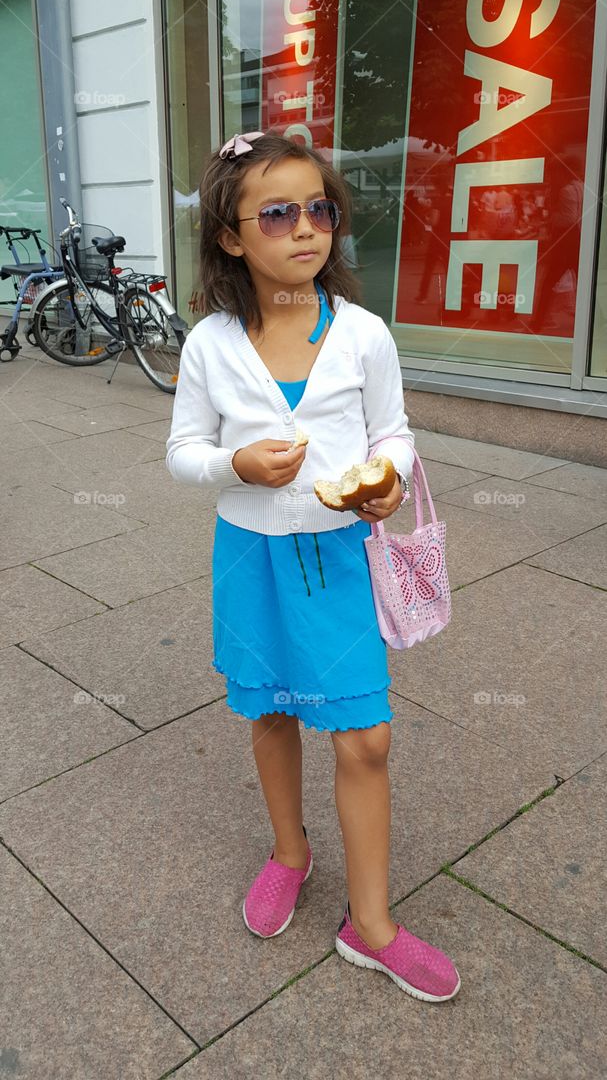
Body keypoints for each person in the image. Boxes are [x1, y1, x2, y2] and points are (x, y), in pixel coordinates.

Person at [166, 129, 461, 1003]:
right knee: (271, 715)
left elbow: (393, 433)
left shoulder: (363, 334)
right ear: (231, 236)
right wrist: (233, 465)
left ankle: (370, 927)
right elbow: (183, 449)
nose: (306, 229)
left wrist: (388, 481)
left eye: (319, 209)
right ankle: (289, 853)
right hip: (250, 556)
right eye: (278, 212)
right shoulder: (209, 345)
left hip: (340, 556)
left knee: (365, 734)